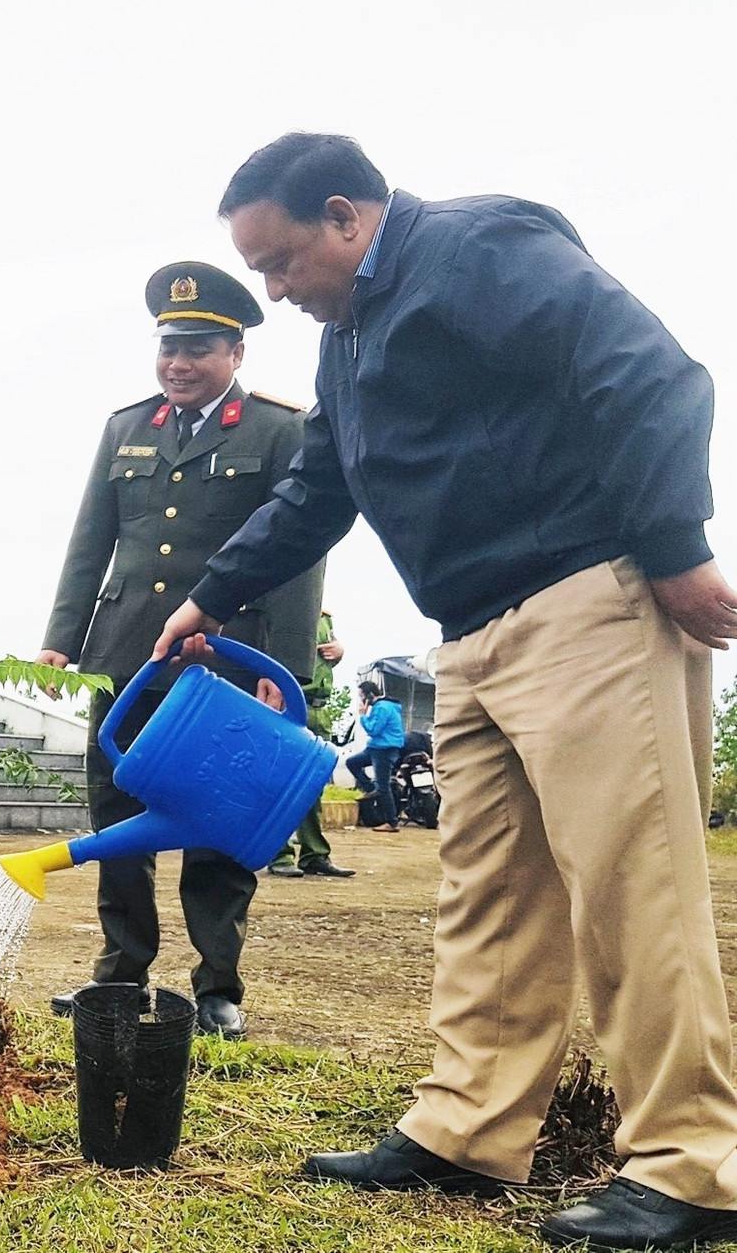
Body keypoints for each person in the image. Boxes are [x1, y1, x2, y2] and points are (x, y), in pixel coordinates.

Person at [153, 133, 737, 1249]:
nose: (275, 292)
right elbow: (318, 488)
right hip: (469, 635)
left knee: (631, 887)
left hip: (588, 601)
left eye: (279, 264)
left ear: (345, 217)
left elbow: (646, 369)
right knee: (488, 897)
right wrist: (213, 596)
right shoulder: (347, 340)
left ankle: (691, 1167)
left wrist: (672, 543)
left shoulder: (477, 249)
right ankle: (467, 1128)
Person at [38, 261, 325, 1039]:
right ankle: (120, 972)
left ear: (235, 354)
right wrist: (64, 639)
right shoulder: (125, 428)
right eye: (169, 347)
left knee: (219, 826)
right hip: (128, 653)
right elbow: (92, 537)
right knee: (116, 813)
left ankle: (216, 989)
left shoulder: (279, 429)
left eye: (198, 348)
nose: (179, 363)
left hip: (229, 663)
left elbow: (298, 555)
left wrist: (288, 669)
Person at [268, 609, 355, 877]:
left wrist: (339, 652)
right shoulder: (286, 608)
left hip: (320, 709)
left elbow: (321, 659)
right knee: (281, 784)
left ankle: (314, 854)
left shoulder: (324, 615)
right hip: (291, 706)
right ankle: (279, 854)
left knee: (314, 785)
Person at [345, 679, 405, 833]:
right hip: (375, 748)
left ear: (370, 695)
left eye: (362, 696)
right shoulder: (386, 706)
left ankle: (392, 822)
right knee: (352, 762)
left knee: (384, 787)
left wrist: (363, 716)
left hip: (384, 749)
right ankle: (371, 788)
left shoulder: (382, 708)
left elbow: (373, 729)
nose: (361, 700)